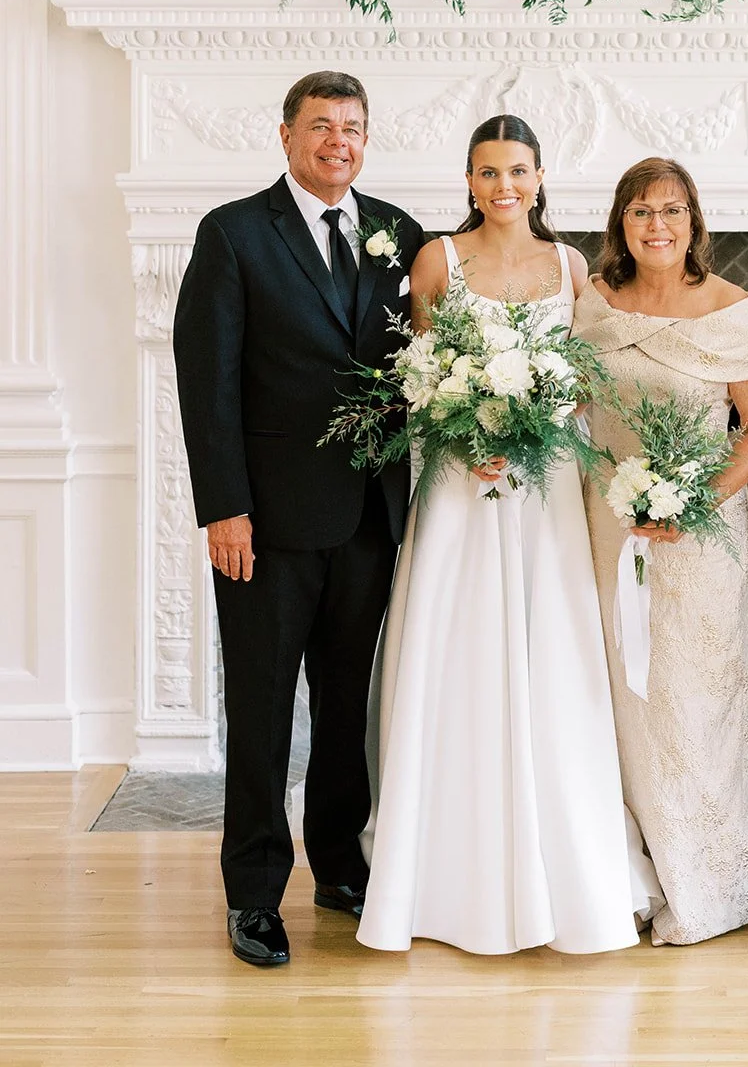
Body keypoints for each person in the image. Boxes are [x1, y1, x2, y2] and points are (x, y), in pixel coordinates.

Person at [356, 115, 643, 956]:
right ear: (469, 180)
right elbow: (418, 373)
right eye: (487, 172)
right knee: (459, 649)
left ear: (540, 177)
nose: (503, 186)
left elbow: (581, 381)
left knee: (553, 654)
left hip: (545, 490)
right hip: (460, 485)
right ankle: (441, 872)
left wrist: (534, 427)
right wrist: (463, 430)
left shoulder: (570, 265)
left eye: (517, 170)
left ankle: (564, 866)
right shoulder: (437, 259)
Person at [172, 70, 424, 967]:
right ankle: (252, 893)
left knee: (348, 706)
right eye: (320, 126)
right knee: (263, 709)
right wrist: (224, 509)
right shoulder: (234, 233)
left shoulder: (399, 233)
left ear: (366, 138)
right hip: (267, 524)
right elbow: (205, 380)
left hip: (370, 516)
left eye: (351, 127)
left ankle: (339, 869)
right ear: (285, 136)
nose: (336, 142)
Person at [574, 158, 748, 946]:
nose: (655, 225)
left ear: (694, 221)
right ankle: (625, 882)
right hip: (606, 530)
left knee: (691, 706)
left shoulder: (732, 309)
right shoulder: (594, 303)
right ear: (619, 223)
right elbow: (570, 408)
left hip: (699, 540)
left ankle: (701, 888)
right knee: (615, 705)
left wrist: (693, 503)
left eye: (670, 210)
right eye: (639, 211)